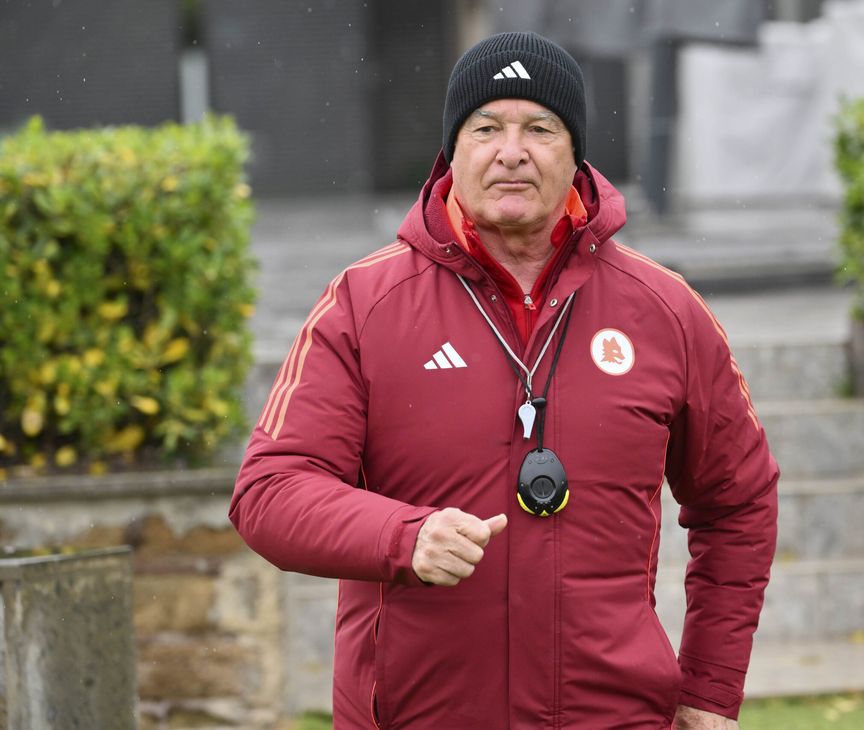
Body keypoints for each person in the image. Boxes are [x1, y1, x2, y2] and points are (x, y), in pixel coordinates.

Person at [231, 31, 778, 730]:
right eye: (486, 127)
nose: (511, 151)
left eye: (539, 128)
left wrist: (709, 686)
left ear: (576, 153)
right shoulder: (363, 305)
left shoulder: (666, 310)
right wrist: (405, 537)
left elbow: (740, 501)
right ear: (451, 154)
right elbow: (270, 492)